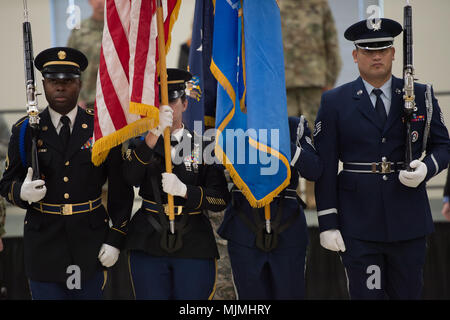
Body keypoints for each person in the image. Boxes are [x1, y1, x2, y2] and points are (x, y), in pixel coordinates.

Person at [314, 18, 450, 299]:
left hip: (407, 218)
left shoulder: (421, 95)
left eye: (383, 48)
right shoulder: (334, 102)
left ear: (393, 52)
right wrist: (328, 223)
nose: (376, 56)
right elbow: (326, 168)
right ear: (355, 55)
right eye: (367, 50)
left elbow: (443, 146)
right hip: (358, 221)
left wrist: (426, 168)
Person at [0, 47, 134, 299]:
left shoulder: (101, 129)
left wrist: (116, 237)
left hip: (90, 242)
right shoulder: (25, 130)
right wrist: (21, 192)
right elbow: (6, 184)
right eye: (53, 82)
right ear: (43, 85)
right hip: (44, 245)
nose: (60, 87)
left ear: (80, 84)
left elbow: (121, 190)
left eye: (67, 81)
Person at [123, 68, 230, 300]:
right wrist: (153, 134)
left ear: (184, 103)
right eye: (161, 103)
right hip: (148, 239)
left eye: (171, 101)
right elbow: (129, 177)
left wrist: (185, 191)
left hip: (193, 240)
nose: (167, 108)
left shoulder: (204, 145)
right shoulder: (140, 142)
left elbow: (220, 199)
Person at [218, 116, 322, 299]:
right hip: (245, 228)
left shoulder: (295, 125)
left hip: (287, 229)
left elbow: (313, 170)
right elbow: (216, 173)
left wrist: (285, 146)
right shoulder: (232, 123)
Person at [280, 0, 342, 209]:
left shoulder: (319, 4)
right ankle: (292, 191)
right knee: (286, 138)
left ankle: (316, 195)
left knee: (316, 139)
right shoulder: (275, 4)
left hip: (315, 82)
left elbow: (331, 40)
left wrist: (330, 78)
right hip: (283, 83)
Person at [67, 0, 104, 109]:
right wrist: (77, 98)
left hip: (115, 97)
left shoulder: (118, 28)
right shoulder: (79, 30)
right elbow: (70, 66)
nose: (99, 2)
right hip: (87, 101)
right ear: (89, 1)